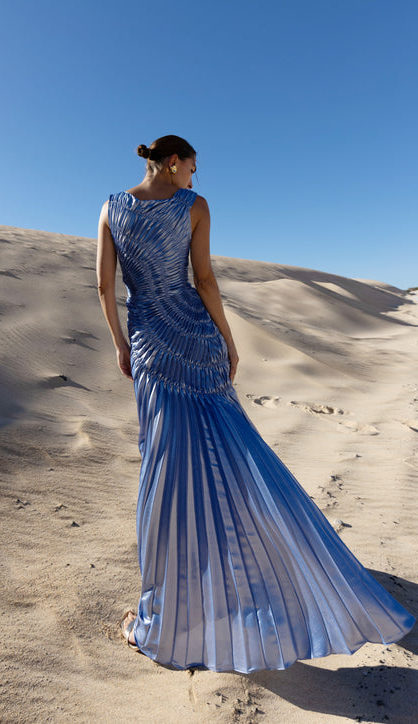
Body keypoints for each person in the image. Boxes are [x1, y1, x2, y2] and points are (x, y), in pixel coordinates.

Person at [96, 134, 414, 673]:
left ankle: (168, 613)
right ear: (173, 164)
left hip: (149, 344)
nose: (197, 178)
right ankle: (270, 569)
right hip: (195, 342)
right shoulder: (193, 207)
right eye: (194, 168)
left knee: (164, 469)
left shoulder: (109, 207)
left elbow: (104, 285)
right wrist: (229, 338)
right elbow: (204, 279)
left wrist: (121, 345)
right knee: (232, 455)